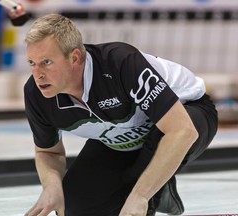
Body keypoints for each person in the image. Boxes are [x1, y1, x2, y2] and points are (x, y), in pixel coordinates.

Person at [23, 14, 218, 216]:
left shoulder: (120, 62)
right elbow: (48, 152)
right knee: (74, 208)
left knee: (137, 193)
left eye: (46, 62)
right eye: (31, 62)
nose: (38, 74)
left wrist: (141, 196)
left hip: (189, 113)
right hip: (120, 136)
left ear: (74, 58)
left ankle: (157, 189)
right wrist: (51, 187)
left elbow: (182, 131)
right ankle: (157, 185)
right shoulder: (36, 95)